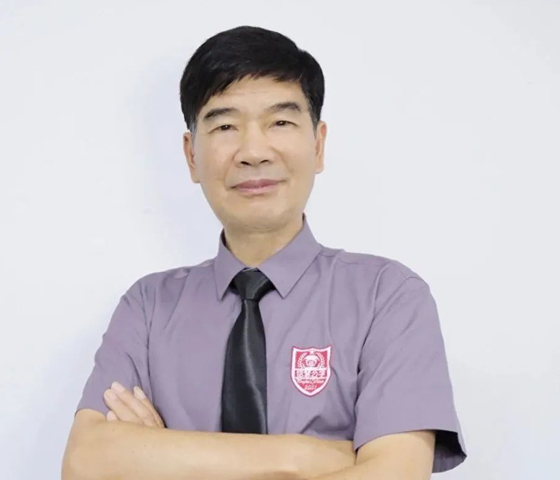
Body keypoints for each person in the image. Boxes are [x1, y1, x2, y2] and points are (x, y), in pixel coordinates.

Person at [62, 25, 467, 480]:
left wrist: (161, 454)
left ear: (318, 145)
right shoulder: (148, 307)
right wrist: (304, 457)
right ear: (191, 156)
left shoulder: (387, 297)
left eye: (280, 122)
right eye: (225, 126)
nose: (253, 152)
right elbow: (85, 462)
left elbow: (395, 474)